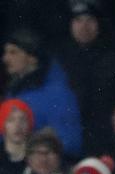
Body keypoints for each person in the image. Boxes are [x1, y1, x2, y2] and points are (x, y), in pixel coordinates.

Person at [57, 0, 115, 154]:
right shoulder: (60, 61)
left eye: (90, 20)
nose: (84, 27)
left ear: (98, 24)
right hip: (68, 140)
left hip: (107, 141)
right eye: (78, 20)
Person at [3, 27, 82, 157]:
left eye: (13, 52)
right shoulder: (14, 91)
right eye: (6, 52)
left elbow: (70, 142)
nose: (5, 58)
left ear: (32, 58)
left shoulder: (58, 94)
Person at [0, 98, 34, 174]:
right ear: (3, 124)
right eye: (11, 120)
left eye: (23, 120)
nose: (17, 126)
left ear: (29, 123)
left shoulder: (38, 157)